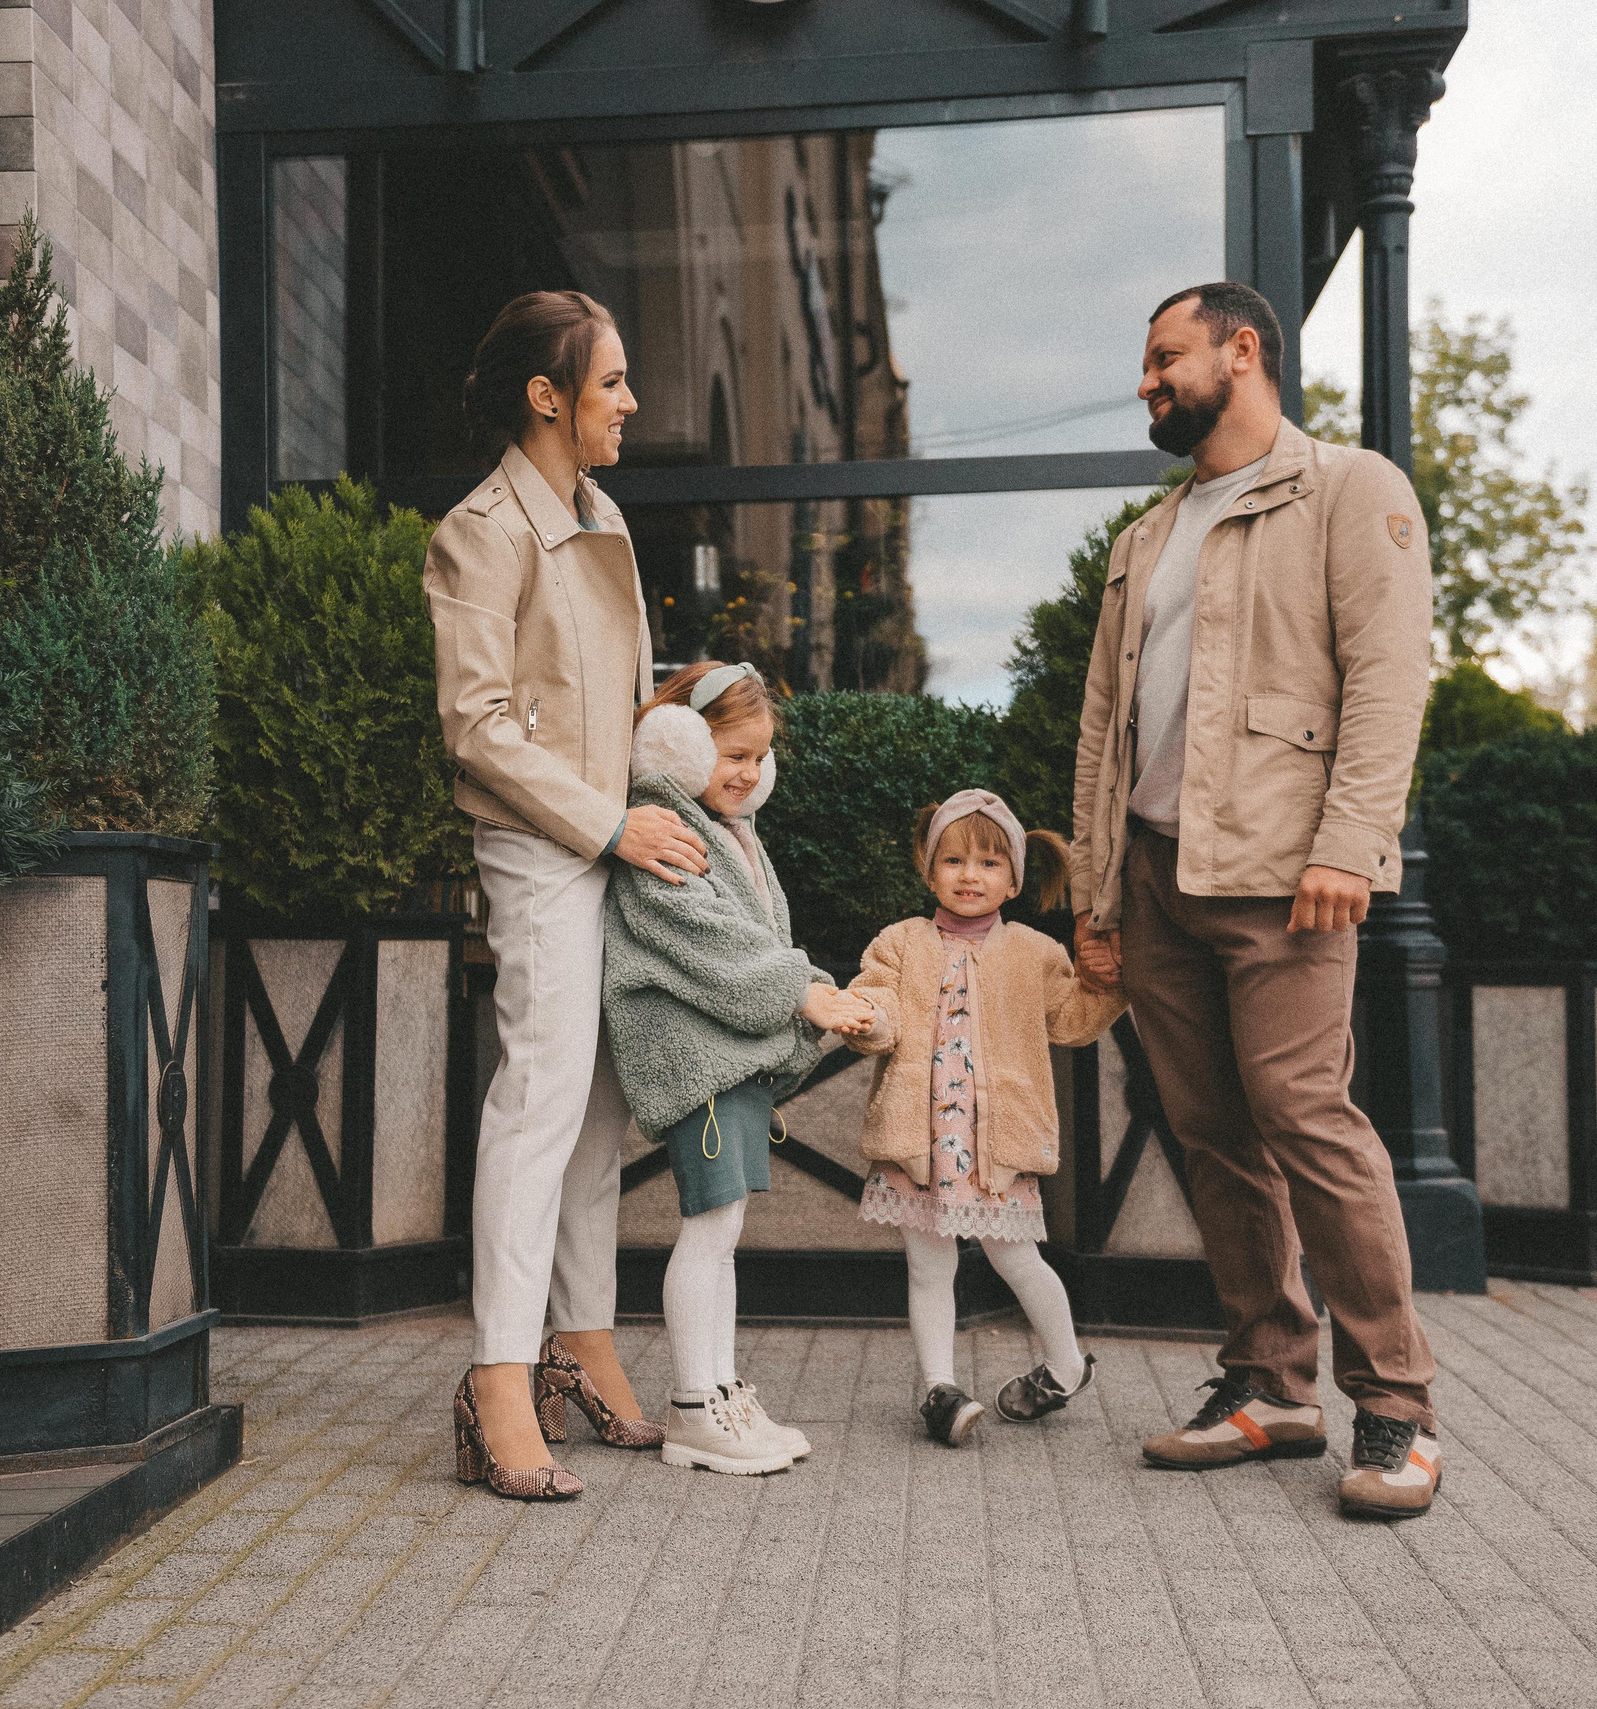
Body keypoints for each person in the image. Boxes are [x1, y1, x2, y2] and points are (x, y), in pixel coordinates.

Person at [1068, 281, 1446, 1519]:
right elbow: (1103, 728)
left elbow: (1387, 681)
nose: (1146, 380)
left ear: (1243, 350)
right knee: (1211, 1133)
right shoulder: (1145, 537)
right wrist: (1096, 889)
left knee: (1305, 1117)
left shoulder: (1348, 489)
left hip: (1288, 874)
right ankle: (1270, 1380)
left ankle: (1396, 1403)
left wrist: (1351, 843)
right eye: (1144, 361)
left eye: (1164, 355)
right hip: (1156, 873)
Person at [427, 290, 710, 1502]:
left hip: (616, 839)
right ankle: (498, 1374)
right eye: (611, 382)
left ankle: (581, 1342)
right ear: (546, 397)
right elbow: (476, 726)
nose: (631, 402)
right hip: (544, 847)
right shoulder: (480, 532)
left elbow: (624, 698)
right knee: (538, 1102)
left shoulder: (606, 516)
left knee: (597, 1110)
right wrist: (606, 822)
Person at [601, 660, 869, 1474]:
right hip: (700, 1061)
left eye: (760, 756)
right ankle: (692, 1405)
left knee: (725, 1233)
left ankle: (719, 1391)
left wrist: (814, 989)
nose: (750, 772)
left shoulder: (731, 830)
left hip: (731, 1057)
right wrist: (804, 991)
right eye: (733, 754)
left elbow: (755, 939)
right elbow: (711, 943)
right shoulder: (665, 827)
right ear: (679, 745)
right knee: (710, 1228)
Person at [843, 790, 1122, 1445]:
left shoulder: (1035, 952)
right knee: (927, 1267)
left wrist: (1114, 981)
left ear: (1015, 880)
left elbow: (1072, 1020)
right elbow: (879, 1007)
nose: (971, 875)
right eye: (954, 860)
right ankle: (939, 1389)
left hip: (996, 1146)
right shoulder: (899, 943)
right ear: (928, 869)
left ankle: (1067, 1364)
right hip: (919, 1143)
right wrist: (864, 1018)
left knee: (1018, 1259)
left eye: (990, 863)